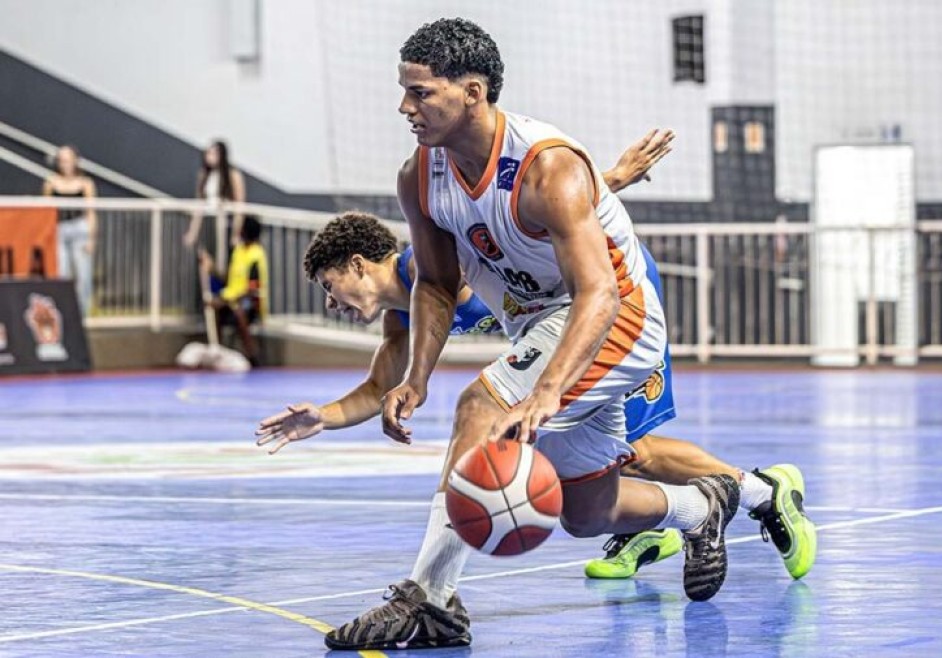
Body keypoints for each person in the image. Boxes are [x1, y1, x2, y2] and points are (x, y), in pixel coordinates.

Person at [273, 18, 811, 651]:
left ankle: (432, 601)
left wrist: (547, 390)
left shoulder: (547, 166)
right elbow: (438, 286)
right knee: (586, 512)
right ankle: (703, 507)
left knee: (483, 405)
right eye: (404, 90)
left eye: (420, 92)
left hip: (618, 312)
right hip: (541, 324)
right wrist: (414, 379)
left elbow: (599, 292)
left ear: (472, 92)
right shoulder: (420, 178)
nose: (404, 106)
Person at [199, 214, 267, 365]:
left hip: (248, 301)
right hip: (230, 298)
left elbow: (252, 289)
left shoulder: (256, 255)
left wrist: (227, 301)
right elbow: (227, 279)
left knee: (239, 313)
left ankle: (253, 356)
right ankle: (218, 352)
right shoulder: (237, 251)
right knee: (212, 307)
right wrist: (210, 267)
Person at [42, 145, 97, 314]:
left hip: (79, 227)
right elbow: (45, 211)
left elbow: (91, 212)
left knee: (83, 274)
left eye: (68, 160)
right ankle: (62, 311)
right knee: (60, 272)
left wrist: (91, 238)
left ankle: (82, 313)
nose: (65, 164)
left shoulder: (85, 183)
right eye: (61, 160)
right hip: (59, 228)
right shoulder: (51, 182)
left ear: (75, 161)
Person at [183, 139, 247, 249]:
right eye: (208, 153)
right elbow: (200, 204)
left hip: (225, 220)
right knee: (205, 256)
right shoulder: (204, 175)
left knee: (222, 255)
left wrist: (236, 233)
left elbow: (239, 205)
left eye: (213, 153)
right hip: (208, 219)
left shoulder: (232, 175)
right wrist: (192, 232)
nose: (209, 157)